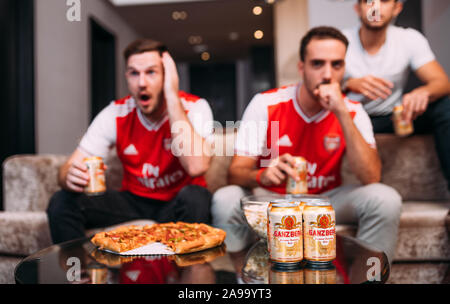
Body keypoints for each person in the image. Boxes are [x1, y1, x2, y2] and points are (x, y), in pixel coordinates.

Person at [212, 26, 402, 264]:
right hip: (273, 198)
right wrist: (264, 176)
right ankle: (241, 277)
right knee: (226, 197)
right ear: (301, 67)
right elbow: (235, 174)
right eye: (317, 64)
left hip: (325, 200)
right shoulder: (265, 104)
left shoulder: (353, 111)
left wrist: (342, 112)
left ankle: (368, 280)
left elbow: (371, 176)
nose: (327, 75)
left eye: (336, 65)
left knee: (386, 198)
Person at [47, 39, 214, 244]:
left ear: (167, 75)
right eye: (134, 73)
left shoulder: (195, 107)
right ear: (127, 76)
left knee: (196, 197)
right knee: (62, 200)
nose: (142, 83)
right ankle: (78, 272)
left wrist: (172, 95)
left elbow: (196, 166)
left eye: (151, 72)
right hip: (134, 202)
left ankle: (188, 272)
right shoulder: (115, 113)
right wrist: (67, 176)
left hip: (179, 202)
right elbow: (68, 168)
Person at [343, 0, 450, 189]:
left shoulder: (409, 39)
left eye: (384, 1)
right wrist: (347, 84)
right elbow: (317, 88)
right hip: (350, 120)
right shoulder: (341, 41)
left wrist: (422, 92)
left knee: (445, 106)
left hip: (393, 118)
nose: (375, 8)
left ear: (397, 8)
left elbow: (442, 83)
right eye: (368, 1)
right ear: (357, 8)